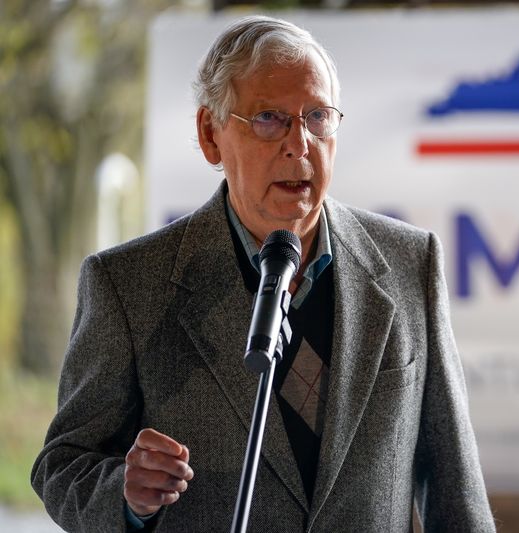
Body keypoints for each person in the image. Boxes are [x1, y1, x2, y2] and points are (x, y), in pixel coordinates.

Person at [31, 15, 495, 533]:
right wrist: (126, 494)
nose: (299, 144)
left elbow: (455, 488)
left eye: (317, 116)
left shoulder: (411, 264)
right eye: (270, 118)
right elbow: (63, 465)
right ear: (211, 135)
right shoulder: (127, 284)